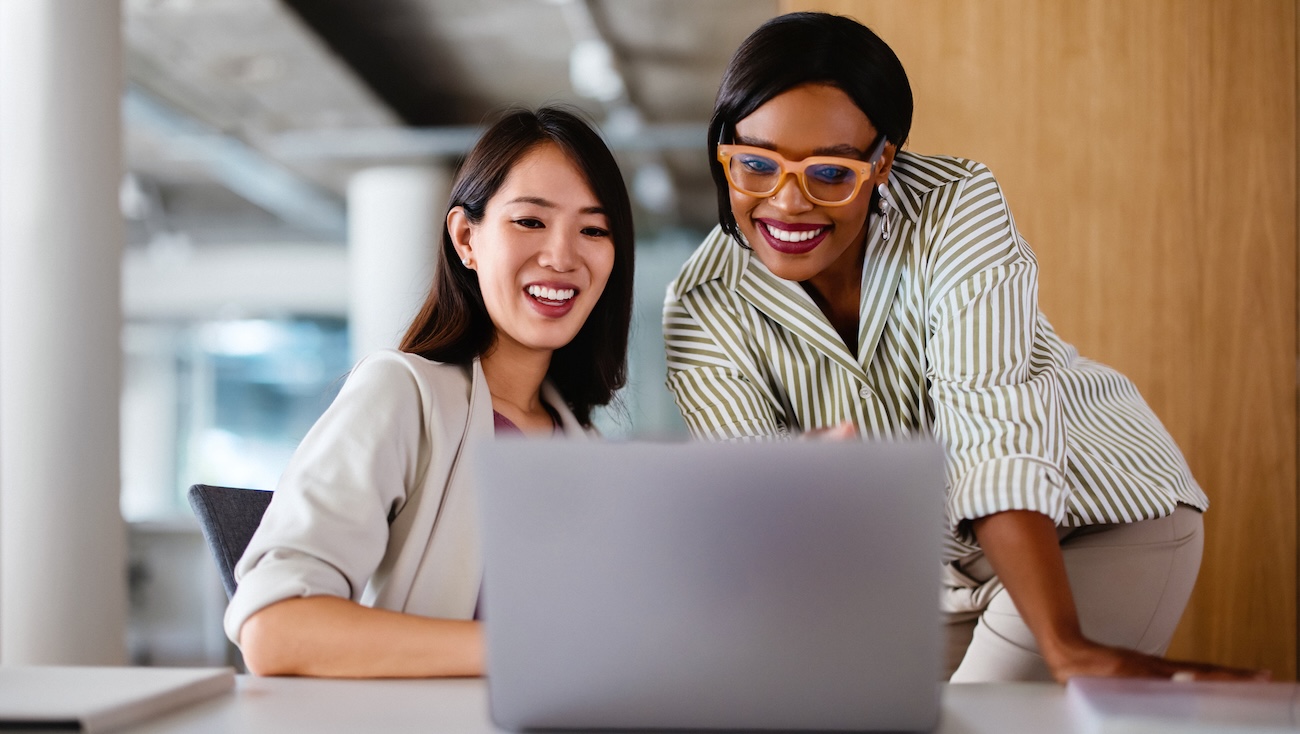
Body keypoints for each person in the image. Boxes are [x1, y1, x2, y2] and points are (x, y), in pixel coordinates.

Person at [663, 12, 1264, 683]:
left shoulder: (955, 207)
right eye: (755, 164)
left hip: (1094, 525)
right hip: (935, 574)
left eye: (830, 174)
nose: (786, 203)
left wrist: (1065, 644)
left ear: (881, 161)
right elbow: (765, 513)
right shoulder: (701, 306)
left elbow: (992, 427)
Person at [226, 106, 635, 678]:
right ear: (467, 238)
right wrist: (523, 650)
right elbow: (275, 628)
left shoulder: (582, 442)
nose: (562, 256)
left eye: (594, 230)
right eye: (530, 222)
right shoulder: (402, 393)